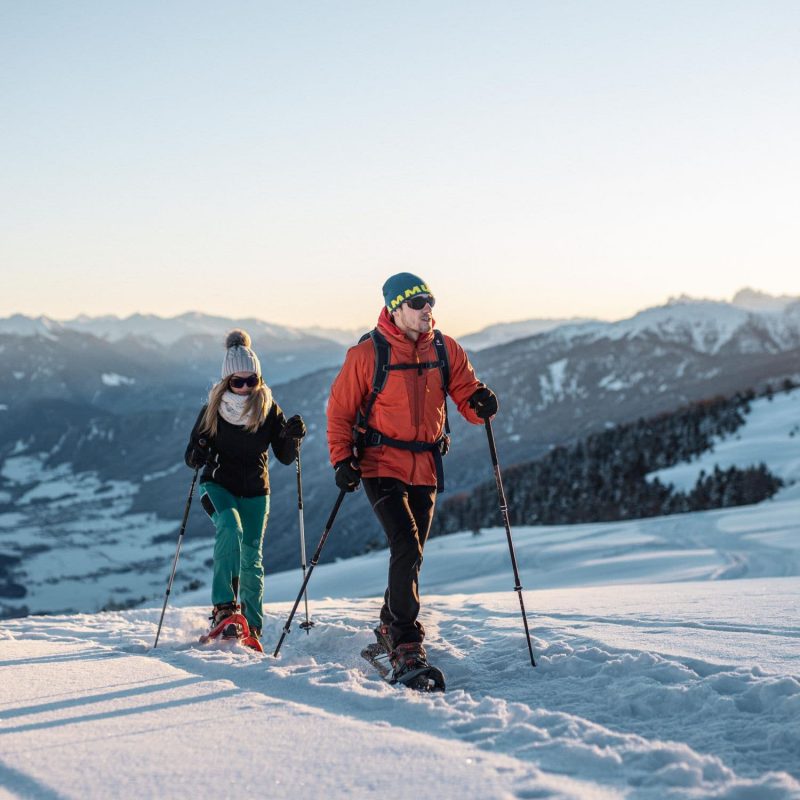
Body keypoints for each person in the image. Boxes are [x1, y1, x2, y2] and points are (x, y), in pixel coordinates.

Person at [326, 272, 498, 679]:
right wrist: (341, 460)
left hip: (425, 464)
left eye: (430, 301)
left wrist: (480, 401)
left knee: (414, 549)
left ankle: (389, 621)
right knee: (405, 543)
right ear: (395, 308)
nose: (427, 309)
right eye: (418, 302)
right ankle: (406, 640)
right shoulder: (367, 355)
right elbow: (340, 412)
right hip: (379, 462)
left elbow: (465, 395)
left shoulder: (445, 348)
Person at [185, 329, 306, 646]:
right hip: (218, 484)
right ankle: (224, 608)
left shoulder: (267, 408)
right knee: (229, 526)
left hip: (255, 491)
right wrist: (198, 453)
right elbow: (191, 456)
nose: (245, 387)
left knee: (251, 557)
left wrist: (292, 437)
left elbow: (284, 456)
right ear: (227, 382)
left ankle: (252, 625)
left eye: (251, 380)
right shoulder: (213, 409)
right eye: (237, 382)